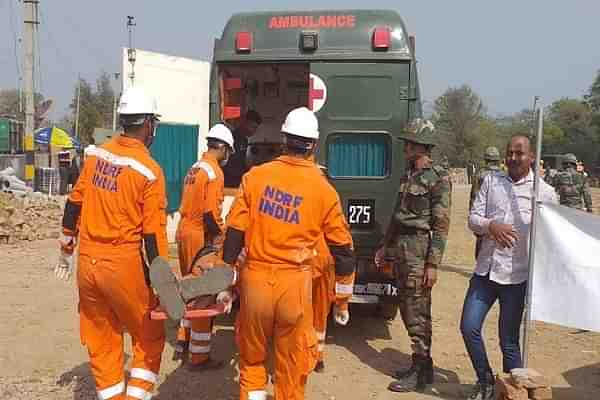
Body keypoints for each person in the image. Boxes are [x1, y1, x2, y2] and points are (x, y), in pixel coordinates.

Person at [222, 107, 355, 400]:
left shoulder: (255, 177)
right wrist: (341, 300)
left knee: (253, 362)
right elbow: (344, 253)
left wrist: (226, 281)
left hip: (255, 283)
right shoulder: (324, 191)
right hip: (294, 288)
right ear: (314, 145)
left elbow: (233, 234)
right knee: (291, 368)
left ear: (284, 139)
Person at [54, 86, 168, 400]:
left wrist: (65, 251)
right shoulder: (149, 172)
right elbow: (152, 236)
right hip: (122, 263)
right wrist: (162, 284)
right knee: (148, 335)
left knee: (102, 337)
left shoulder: (95, 155)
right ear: (148, 125)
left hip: (87, 264)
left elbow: (73, 205)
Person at [462, 135, 558, 400]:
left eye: (519, 153)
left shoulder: (544, 192)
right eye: (510, 153)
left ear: (531, 157)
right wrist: (490, 226)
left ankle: (511, 391)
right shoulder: (492, 182)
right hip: (485, 272)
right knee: (469, 327)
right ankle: (485, 380)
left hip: (517, 278)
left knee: (509, 341)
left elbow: (552, 236)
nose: (513, 158)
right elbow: (473, 218)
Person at [376, 119, 452, 393]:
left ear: (422, 145)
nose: (405, 147)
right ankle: (422, 365)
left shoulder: (439, 178)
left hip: (419, 248)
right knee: (406, 305)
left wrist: (432, 264)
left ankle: (420, 372)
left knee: (418, 311)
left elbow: (441, 225)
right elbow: (397, 215)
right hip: (401, 247)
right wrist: (385, 246)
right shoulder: (408, 174)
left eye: (409, 143)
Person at [173, 123, 235, 369]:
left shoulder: (195, 167)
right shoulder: (214, 172)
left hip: (183, 231)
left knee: (189, 285)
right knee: (204, 294)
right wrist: (220, 240)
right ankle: (199, 355)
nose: (228, 156)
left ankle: (181, 341)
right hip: (200, 234)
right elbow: (211, 213)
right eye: (228, 150)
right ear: (222, 148)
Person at [469, 146, 502, 258]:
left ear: (486, 159)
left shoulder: (479, 175)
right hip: (498, 220)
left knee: (481, 252)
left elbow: (474, 197)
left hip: (482, 218)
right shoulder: (503, 175)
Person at [223, 110, 263, 187]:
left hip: (239, 180)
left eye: (256, 128)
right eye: (252, 127)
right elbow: (229, 163)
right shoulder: (232, 138)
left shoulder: (244, 140)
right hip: (229, 181)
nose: (254, 131)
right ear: (245, 122)